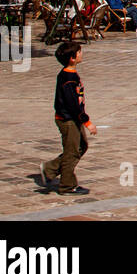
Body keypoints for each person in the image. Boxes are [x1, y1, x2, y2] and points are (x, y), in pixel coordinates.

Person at [41, 41, 96, 195]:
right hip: (68, 119)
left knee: (81, 146)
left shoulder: (70, 74)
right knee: (72, 151)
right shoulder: (68, 79)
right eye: (79, 52)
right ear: (72, 58)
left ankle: (50, 168)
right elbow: (72, 104)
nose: (81, 54)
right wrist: (87, 121)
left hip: (73, 118)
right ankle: (67, 185)